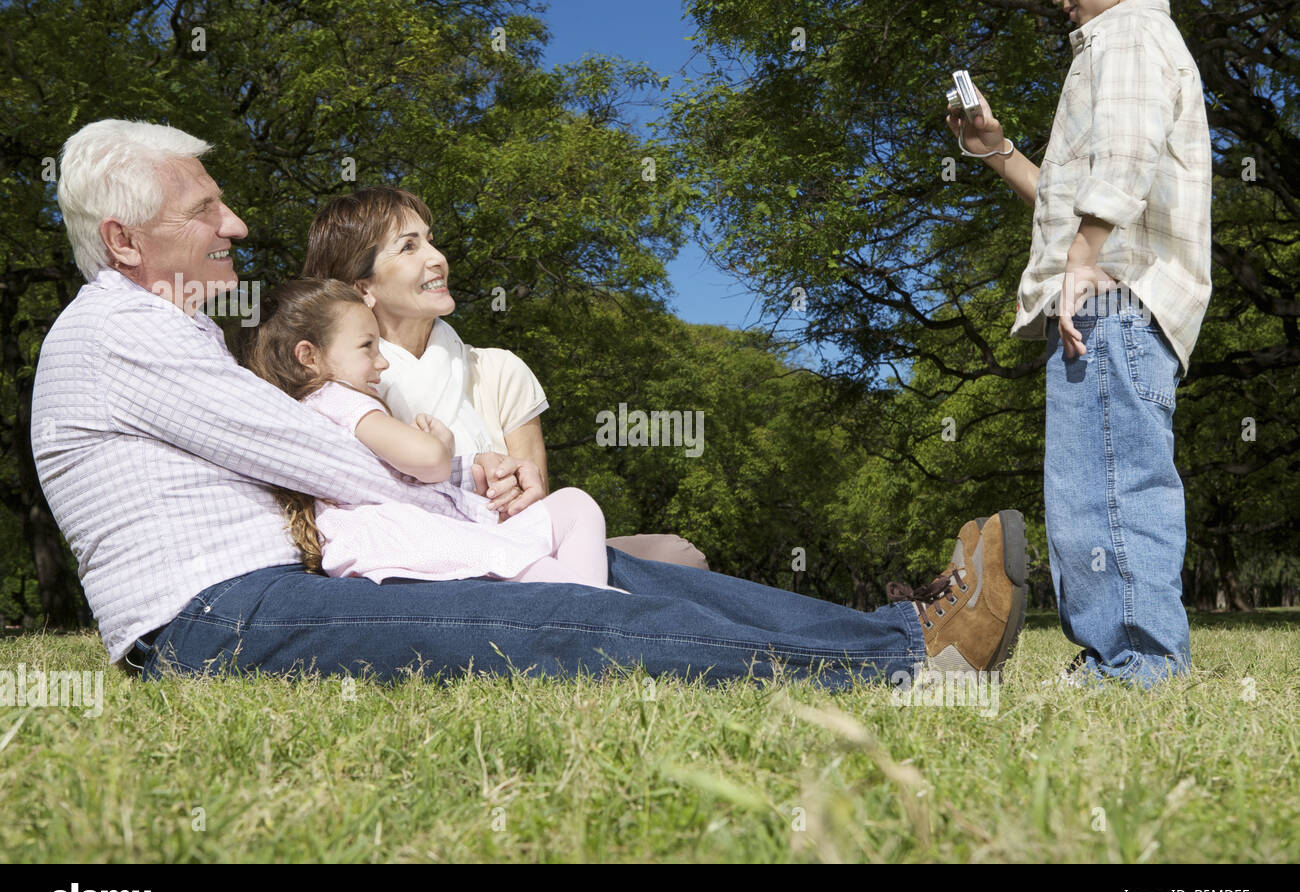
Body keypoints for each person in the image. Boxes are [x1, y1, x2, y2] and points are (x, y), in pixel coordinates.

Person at [31, 117, 1027, 689]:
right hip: (214, 618)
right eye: (204, 206)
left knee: (615, 567)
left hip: (268, 589)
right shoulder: (117, 332)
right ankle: (901, 658)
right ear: (126, 240)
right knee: (543, 618)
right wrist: (462, 479)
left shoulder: (166, 331)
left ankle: (910, 634)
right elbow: (315, 453)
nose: (234, 220)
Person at [948, 0, 1211, 686]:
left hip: (1111, 300)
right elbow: (1081, 194)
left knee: (1106, 493)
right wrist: (996, 152)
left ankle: (1137, 663)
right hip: (1118, 297)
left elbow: (1125, 156)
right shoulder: (1136, 39)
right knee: (1105, 484)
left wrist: (1085, 259)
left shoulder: (1125, 30)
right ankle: (1131, 657)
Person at [300, 187, 710, 570]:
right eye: (409, 247)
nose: (437, 257)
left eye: (430, 239)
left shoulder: (499, 370)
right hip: (407, 563)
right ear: (361, 287)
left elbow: (535, 509)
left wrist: (515, 487)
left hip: (515, 550)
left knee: (675, 556)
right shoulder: (333, 389)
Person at [242, 277, 619, 590]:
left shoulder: (320, 406)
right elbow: (428, 462)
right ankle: (602, 610)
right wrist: (441, 444)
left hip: (414, 534)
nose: (382, 361)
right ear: (309, 356)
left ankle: (594, 602)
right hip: (406, 537)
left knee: (572, 506)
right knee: (534, 558)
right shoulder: (338, 399)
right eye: (366, 347)